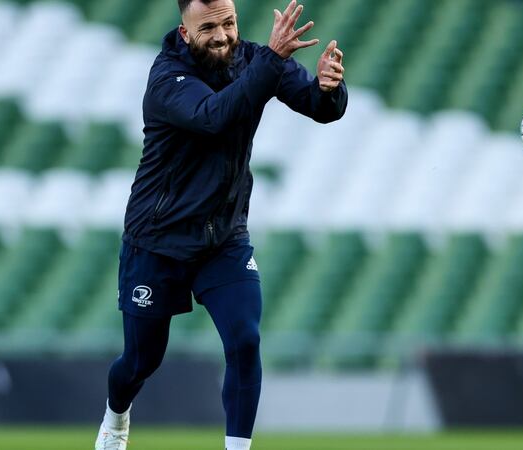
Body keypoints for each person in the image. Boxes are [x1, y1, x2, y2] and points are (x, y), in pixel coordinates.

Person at [94, 0, 347, 449]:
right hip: (158, 241)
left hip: (223, 239)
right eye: (208, 26)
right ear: (184, 31)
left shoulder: (252, 58)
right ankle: (116, 418)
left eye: (228, 22)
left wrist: (330, 89)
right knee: (140, 361)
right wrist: (272, 61)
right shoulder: (166, 78)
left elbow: (318, 107)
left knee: (245, 340)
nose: (222, 35)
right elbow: (214, 117)